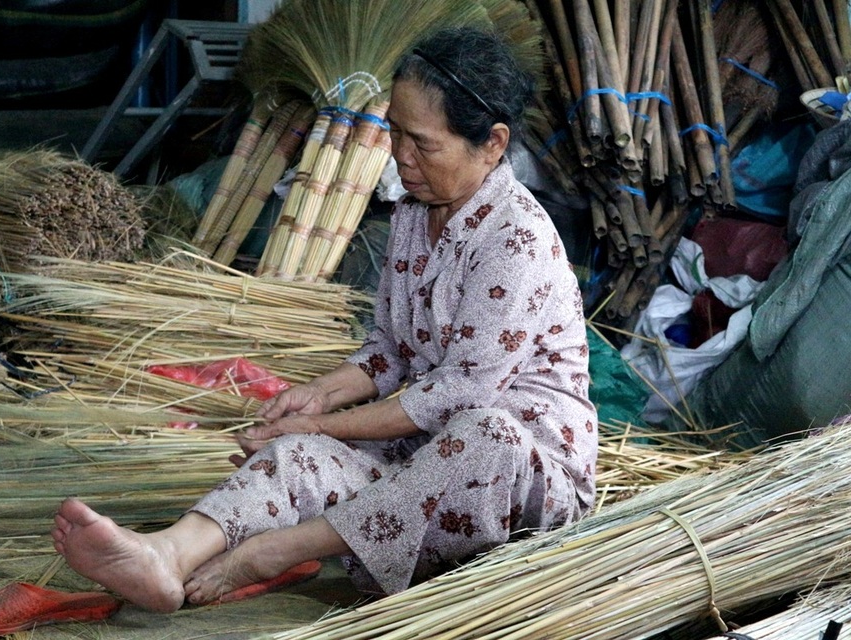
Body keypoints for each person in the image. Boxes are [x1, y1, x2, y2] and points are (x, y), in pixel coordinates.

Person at [51, 26, 597, 613]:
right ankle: (166, 553)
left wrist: (325, 425)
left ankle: (274, 551)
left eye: (423, 143)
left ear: (492, 144)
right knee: (298, 455)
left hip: (518, 481)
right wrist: (317, 399)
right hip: (424, 455)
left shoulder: (516, 240)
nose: (401, 156)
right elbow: (390, 350)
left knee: (488, 435)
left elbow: (460, 394)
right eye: (395, 132)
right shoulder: (413, 214)